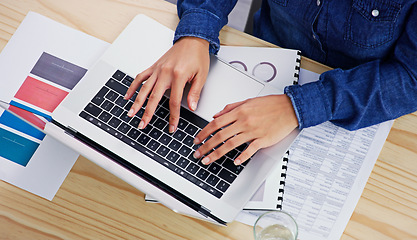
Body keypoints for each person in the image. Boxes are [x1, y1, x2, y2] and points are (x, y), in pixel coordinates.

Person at [124, 0, 417, 166]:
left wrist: (299, 107)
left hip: (360, 95)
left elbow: (411, 77)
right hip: (266, 50)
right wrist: (197, 29)